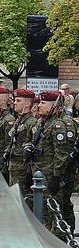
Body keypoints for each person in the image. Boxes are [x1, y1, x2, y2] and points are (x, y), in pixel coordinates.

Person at [25, 90, 77, 240]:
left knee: (55, 211)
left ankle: (60, 242)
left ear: (55, 106)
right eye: (39, 102)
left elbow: (62, 154)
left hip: (52, 174)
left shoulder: (59, 125)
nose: (39, 106)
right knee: (44, 213)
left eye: (43, 103)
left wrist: (56, 176)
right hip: (41, 173)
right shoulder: (44, 122)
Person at [7, 89, 37, 194]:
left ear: (27, 103)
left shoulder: (31, 122)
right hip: (14, 167)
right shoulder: (19, 120)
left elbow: (32, 147)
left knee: (23, 200)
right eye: (15, 100)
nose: (14, 103)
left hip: (23, 169)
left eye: (18, 101)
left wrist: (29, 173)